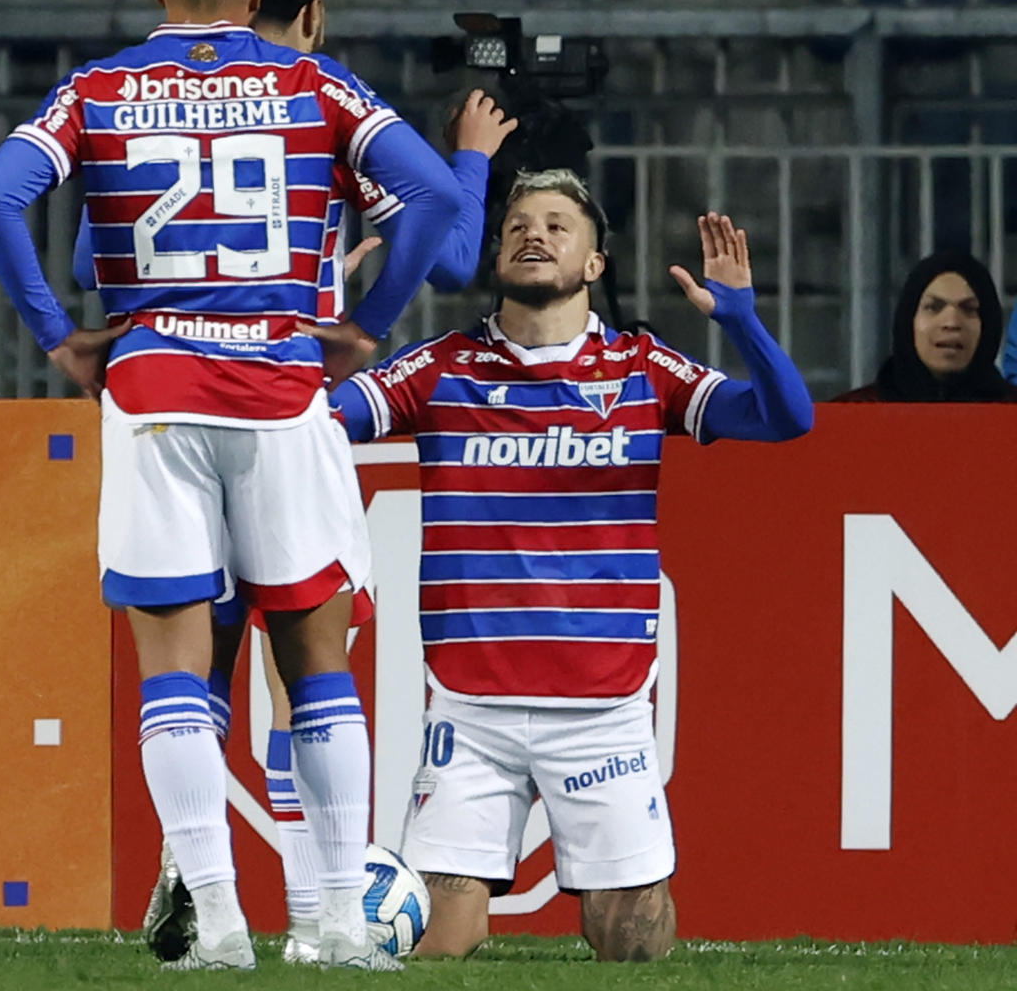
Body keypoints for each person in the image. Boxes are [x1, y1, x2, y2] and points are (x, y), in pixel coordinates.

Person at [0, 0, 466, 972]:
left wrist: (59, 333)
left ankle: (220, 920)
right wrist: (370, 327)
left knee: (175, 666)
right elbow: (432, 191)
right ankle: (336, 919)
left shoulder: (97, 88)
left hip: (151, 387)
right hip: (283, 389)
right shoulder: (317, 86)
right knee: (315, 657)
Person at [108, 0, 513, 967]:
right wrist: (471, 155)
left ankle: (197, 872)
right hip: (291, 414)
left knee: (198, 661)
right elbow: (457, 248)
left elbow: (87, 246)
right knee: (311, 663)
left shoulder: (149, 103)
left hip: (174, 401)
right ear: (310, 9)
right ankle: (322, 904)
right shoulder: (324, 99)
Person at [332, 172, 813, 963]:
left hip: (603, 709)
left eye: (560, 225)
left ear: (595, 263)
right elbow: (311, 418)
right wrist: (316, 328)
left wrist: (745, 322)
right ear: (496, 255)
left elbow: (787, 419)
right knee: (439, 943)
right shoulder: (439, 369)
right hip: (471, 708)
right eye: (519, 223)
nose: (535, 234)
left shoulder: (642, 368)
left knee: (630, 946)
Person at [833, 250, 1017, 403]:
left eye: (969, 309)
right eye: (933, 307)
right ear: (908, 319)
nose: (951, 323)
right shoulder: (850, 414)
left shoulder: (1010, 412)